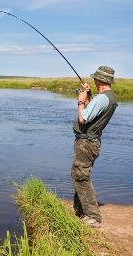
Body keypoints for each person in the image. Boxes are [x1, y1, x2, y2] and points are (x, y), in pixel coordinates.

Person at [71, 66, 118, 228]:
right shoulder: (109, 97)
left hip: (86, 143)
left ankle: (93, 216)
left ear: (100, 80)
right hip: (91, 142)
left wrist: (80, 100)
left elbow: (83, 118)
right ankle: (79, 209)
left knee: (81, 176)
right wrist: (88, 97)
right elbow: (93, 112)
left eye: (95, 78)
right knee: (78, 174)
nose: (93, 80)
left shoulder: (102, 98)